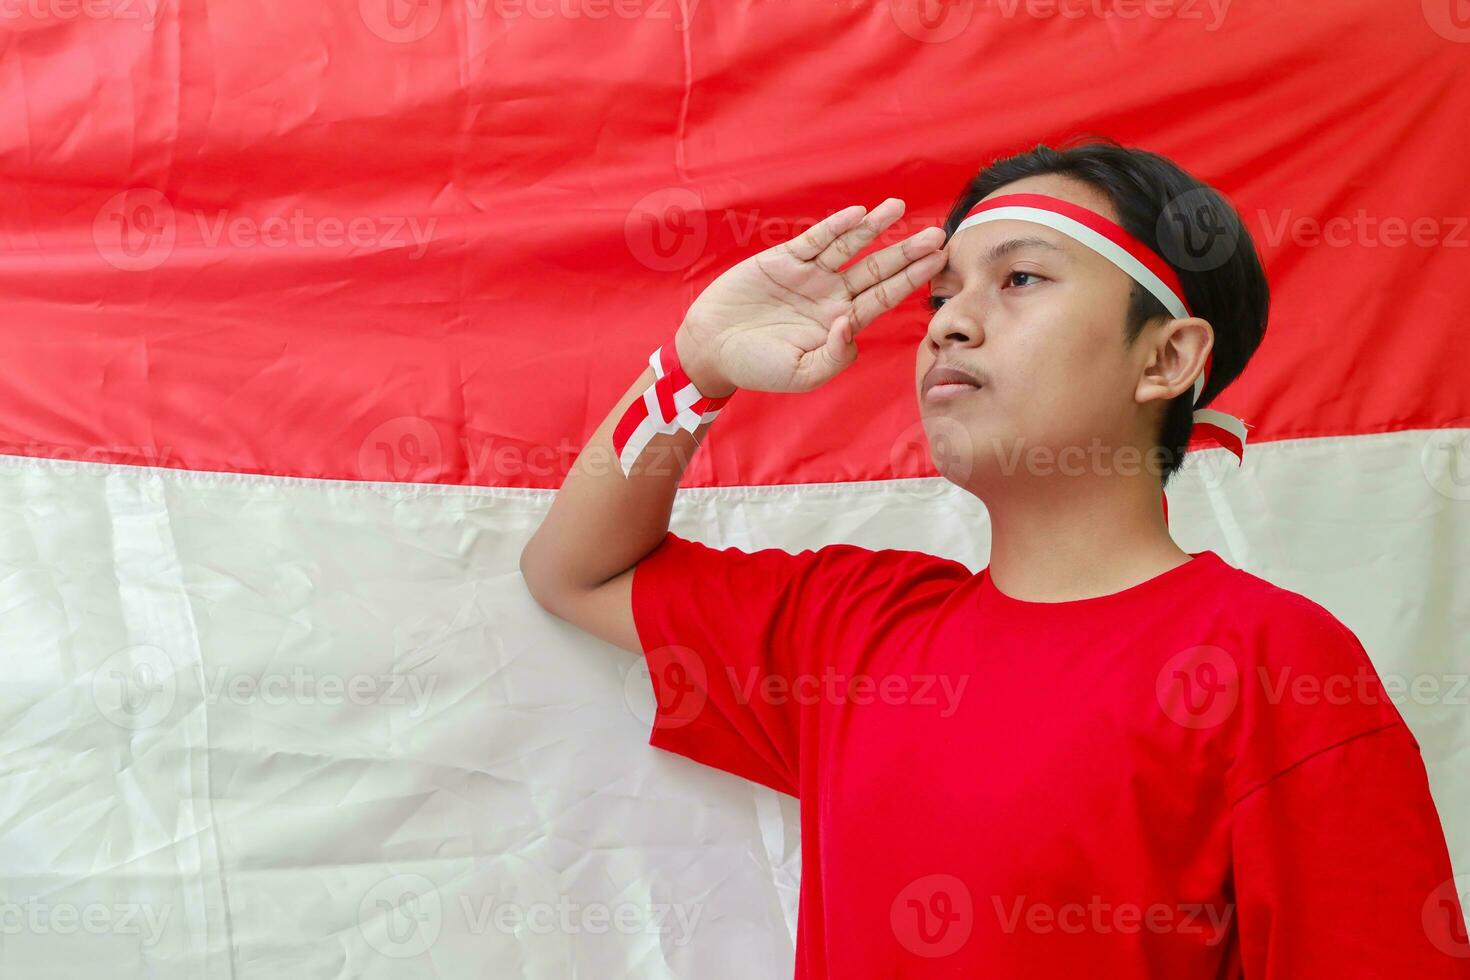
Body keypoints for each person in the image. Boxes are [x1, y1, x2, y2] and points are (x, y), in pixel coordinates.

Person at [519, 139, 1470, 977]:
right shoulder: (850, 628)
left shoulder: (1276, 662)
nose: (946, 323)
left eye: (1019, 279)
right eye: (942, 296)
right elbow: (576, 571)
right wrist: (697, 368)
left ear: (1167, 360)